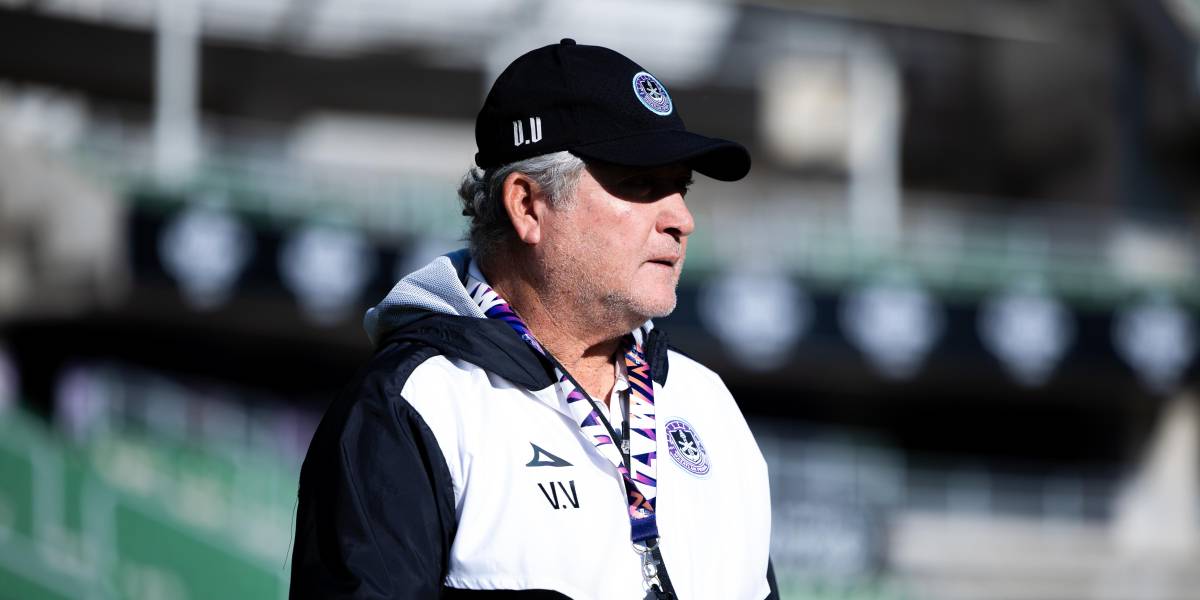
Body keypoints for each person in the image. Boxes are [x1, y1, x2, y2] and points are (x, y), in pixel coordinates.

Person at [291, 39, 776, 600]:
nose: (682, 219)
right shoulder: (418, 404)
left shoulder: (707, 402)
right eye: (641, 185)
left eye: (680, 187)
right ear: (527, 206)